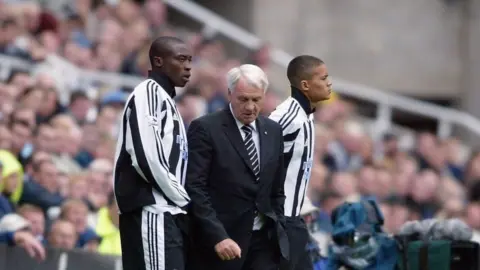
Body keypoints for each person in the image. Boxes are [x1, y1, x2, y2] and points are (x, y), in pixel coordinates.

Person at [185, 64, 288, 270]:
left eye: (256, 99)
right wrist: (217, 236)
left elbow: (276, 188)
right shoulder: (206, 128)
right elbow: (194, 188)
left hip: (262, 243)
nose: (250, 107)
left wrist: (278, 228)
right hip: (219, 245)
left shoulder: (273, 131)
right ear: (230, 94)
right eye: (243, 99)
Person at [113, 36, 192, 270]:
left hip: (167, 213)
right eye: (180, 59)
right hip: (153, 213)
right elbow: (147, 158)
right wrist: (185, 199)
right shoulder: (148, 94)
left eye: (190, 60)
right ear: (158, 61)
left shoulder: (167, 99)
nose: (188, 66)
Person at [269, 55, 332, 270]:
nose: (328, 83)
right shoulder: (286, 117)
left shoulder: (308, 116)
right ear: (305, 85)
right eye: (323, 78)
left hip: (295, 220)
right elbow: (258, 161)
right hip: (281, 223)